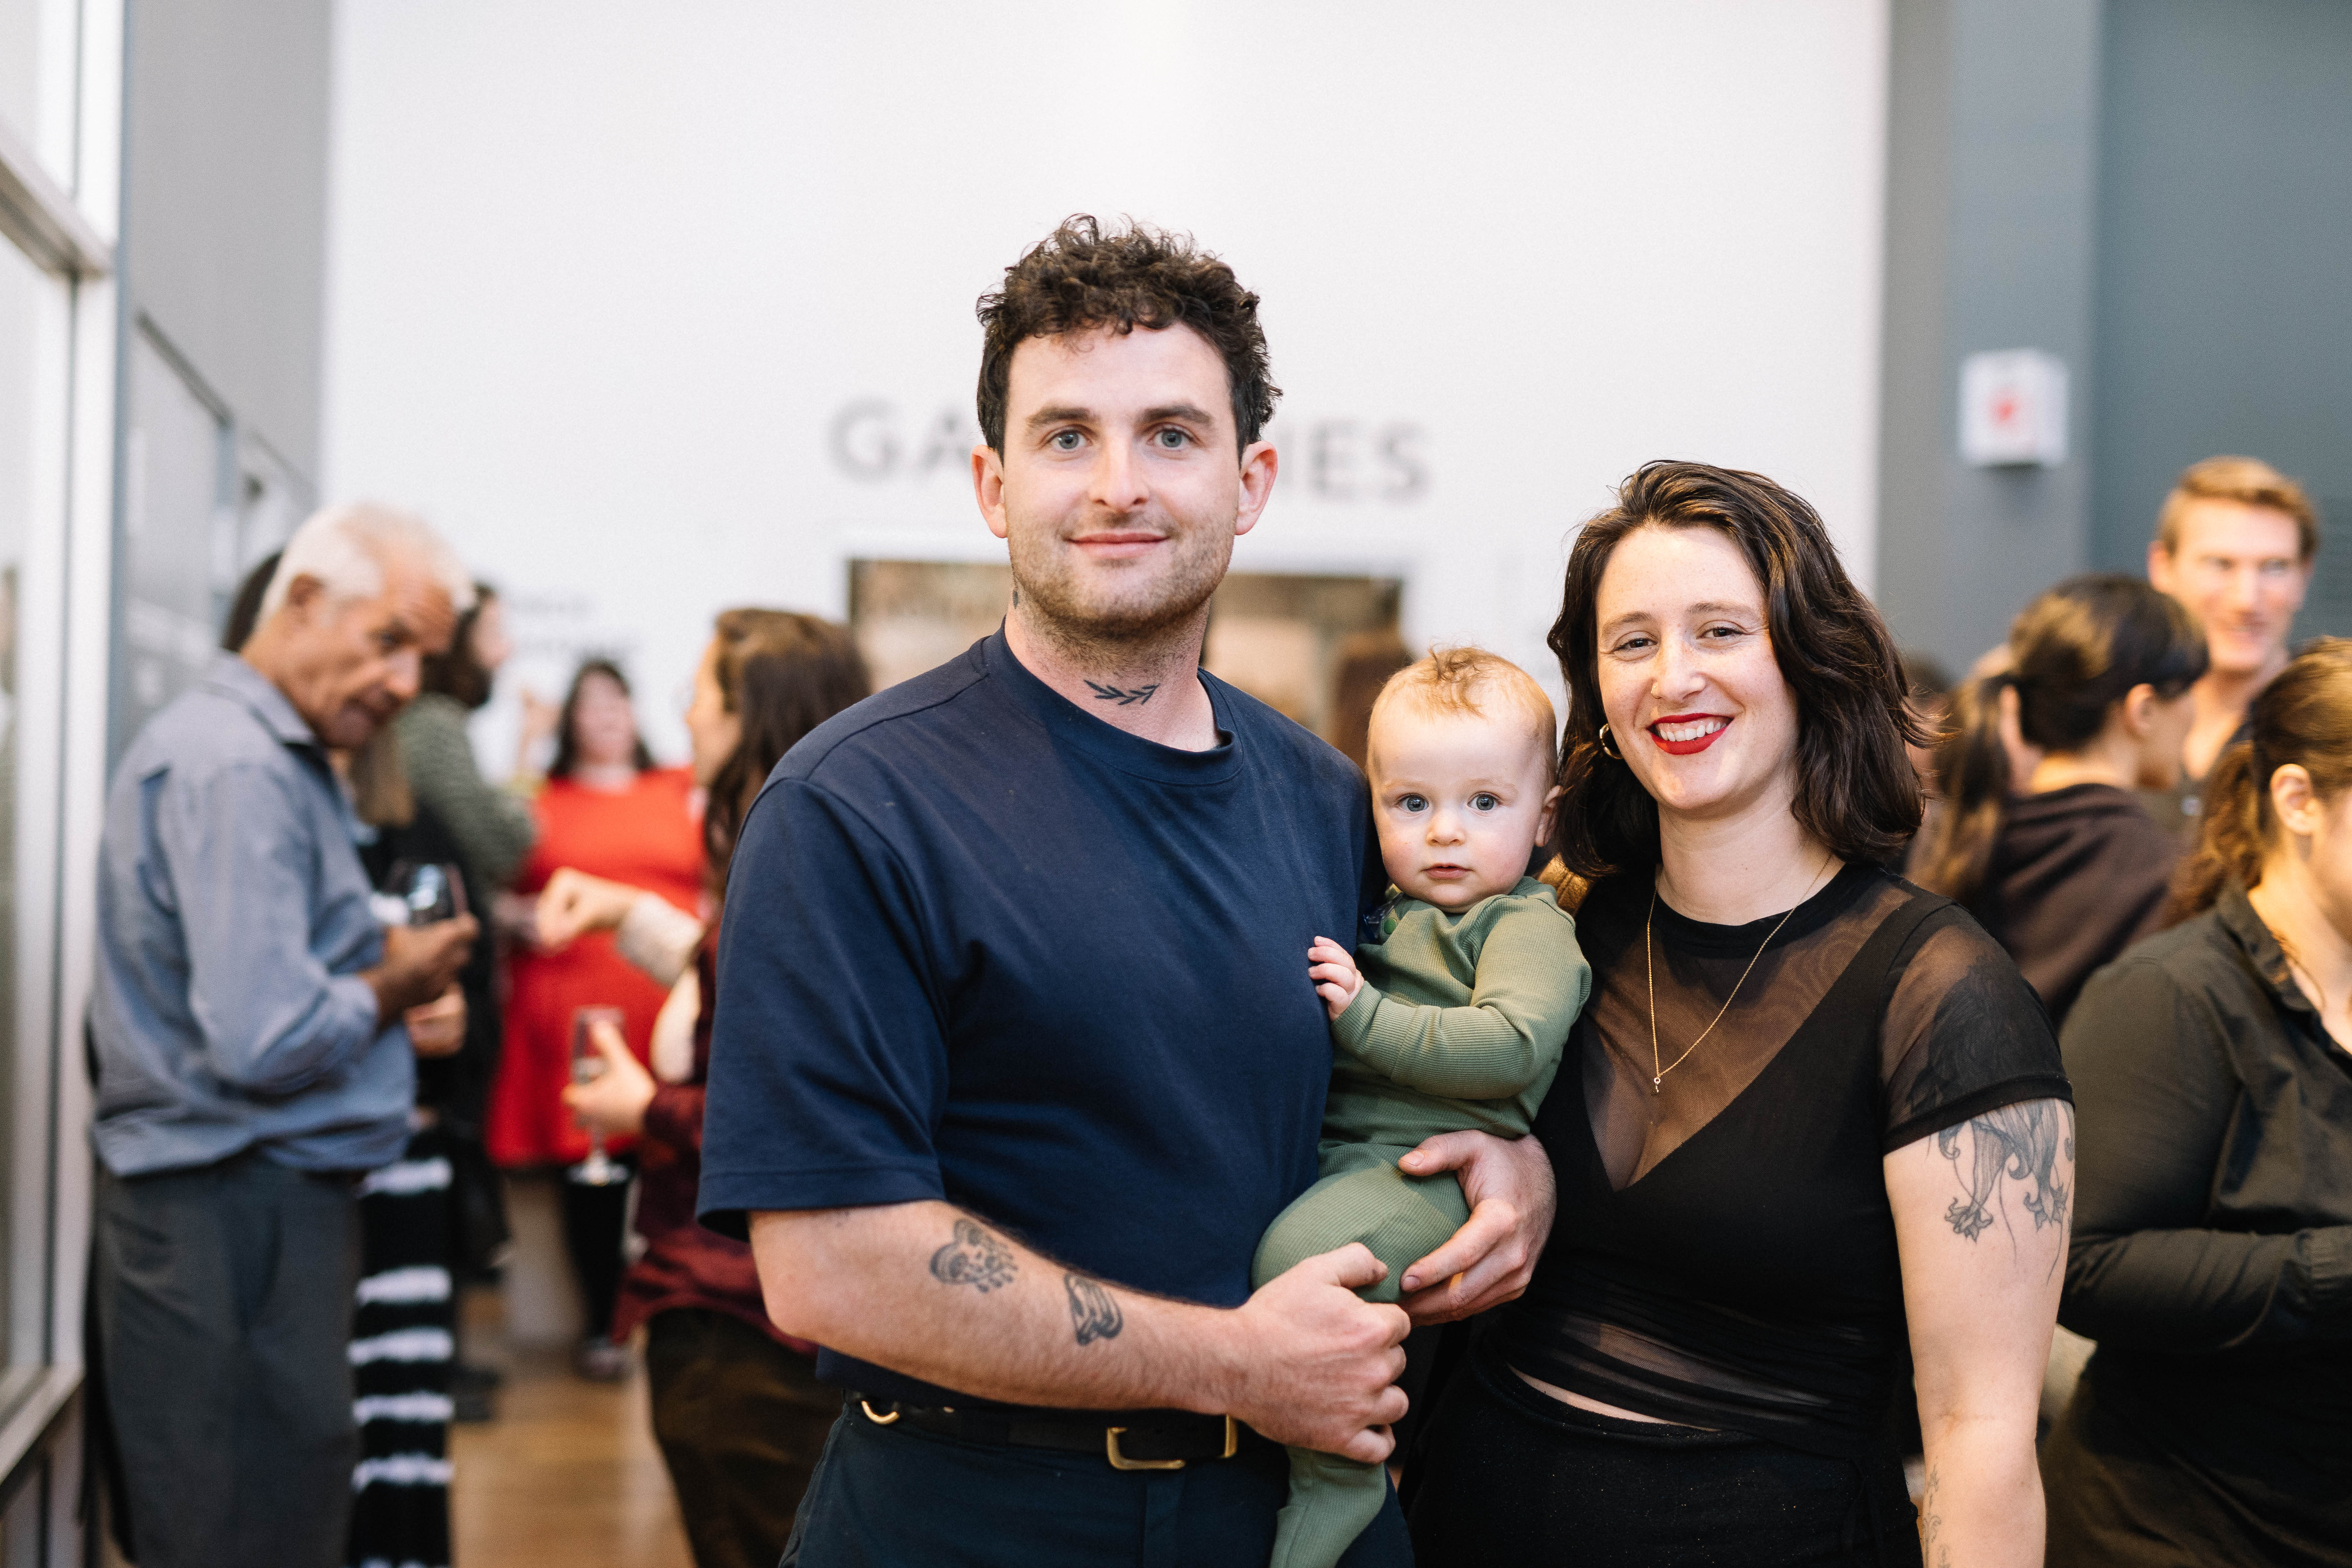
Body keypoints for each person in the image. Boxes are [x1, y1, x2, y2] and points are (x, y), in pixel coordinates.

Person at [698, 216, 1553, 1568]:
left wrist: (1512, 1165)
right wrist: (1234, 1364)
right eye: (1064, 437)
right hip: (966, 1514)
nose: (1117, 484)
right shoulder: (853, 808)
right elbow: (829, 1267)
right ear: (991, 485)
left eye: (1169, 434)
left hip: (1290, 1512)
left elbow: (1399, 1064)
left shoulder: (1328, 801)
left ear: (1248, 479)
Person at [1405, 461, 2073, 1567]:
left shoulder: (1943, 997)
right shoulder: (1554, 928)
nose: (1674, 678)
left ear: (1810, 658)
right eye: (1632, 642)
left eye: (1719, 631)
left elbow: (1980, 1440)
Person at [90, 503, 478, 1568]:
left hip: (248, 1207)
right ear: (303, 601)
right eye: (389, 641)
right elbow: (262, 1038)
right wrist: (394, 983)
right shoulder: (241, 767)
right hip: (233, 1209)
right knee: (244, 1520)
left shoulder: (269, 753)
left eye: (422, 658)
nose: (404, 683)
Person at [540, 608, 872, 1568]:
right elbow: (758, 996)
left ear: (750, 713)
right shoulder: (823, 844)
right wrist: (630, 913)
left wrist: (640, 1108)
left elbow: (792, 1102)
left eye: (702, 696)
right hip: (771, 1311)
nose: (686, 716)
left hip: (743, 1316)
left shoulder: (791, 859)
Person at [1255, 646, 1589, 1568]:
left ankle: (1341, 1475)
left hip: (1429, 1171)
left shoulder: (1523, 924)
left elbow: (1510, 1045)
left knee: (1299, 1258)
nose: (1446, 832)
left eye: (1484, 802)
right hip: (1355, 1158)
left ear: (1544, 815)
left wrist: (1366, 1016)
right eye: (1411, 803)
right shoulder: (1397, 910)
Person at [2041, 640, 2352, 1565]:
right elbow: (2084, 1263)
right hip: (2182, 1525)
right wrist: (2333, 1269)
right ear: (2299, 800)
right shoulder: (2174, 994)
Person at [486, 656, 701, 1379]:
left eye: (617, 701)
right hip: (571, 1009)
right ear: (571, 719)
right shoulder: (540, 799)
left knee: (674, 1150)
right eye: (591, 704)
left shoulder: (680, 788)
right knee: (592, 1166)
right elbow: (493, 883)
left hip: (664, 1004)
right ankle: (603, 1325)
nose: (606, 716)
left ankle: (678, 1311)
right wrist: (519, 918)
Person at [1912, 575, 2207, 1026]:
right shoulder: (2168, 873)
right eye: (2187, 693)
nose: (2194, 713)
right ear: (2143, 710)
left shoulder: (1964, 833)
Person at [2142, 455, 2321, 837]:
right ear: (2163, 568)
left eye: (2274, 567)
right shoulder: (2113, 718)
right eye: (2220, 564)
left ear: (2304, 577)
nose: (2246, 600)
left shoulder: (2331, 727)